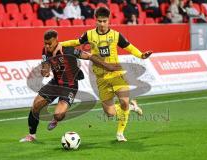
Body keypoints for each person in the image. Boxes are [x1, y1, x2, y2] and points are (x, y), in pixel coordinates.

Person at [57, 7, 152, 142]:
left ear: (109, 21)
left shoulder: (116, 35)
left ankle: (120, 133)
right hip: (101, 78)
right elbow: (76, 42)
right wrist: (60, 44)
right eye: (99, 21)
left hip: (116, 74)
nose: (102, 24)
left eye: (104, 21)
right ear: (96, 21)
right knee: (110, 113)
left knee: (123, 101)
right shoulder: (89, 34)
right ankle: (132, 106)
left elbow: (129, 47)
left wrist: (141, 55)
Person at [20, 29, 120, 142]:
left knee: (58, 115)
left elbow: (89, 56)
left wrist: (107, 66)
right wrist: (45, 71)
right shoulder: (45, 50)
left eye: (50, 43)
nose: (47, 46)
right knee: (36, 106)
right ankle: (31, 135)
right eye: (45, 43)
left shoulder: (67, 50)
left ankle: (56, 119)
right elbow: (46, 64)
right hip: (55, 83)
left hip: (70, 86)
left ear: (56, 41)